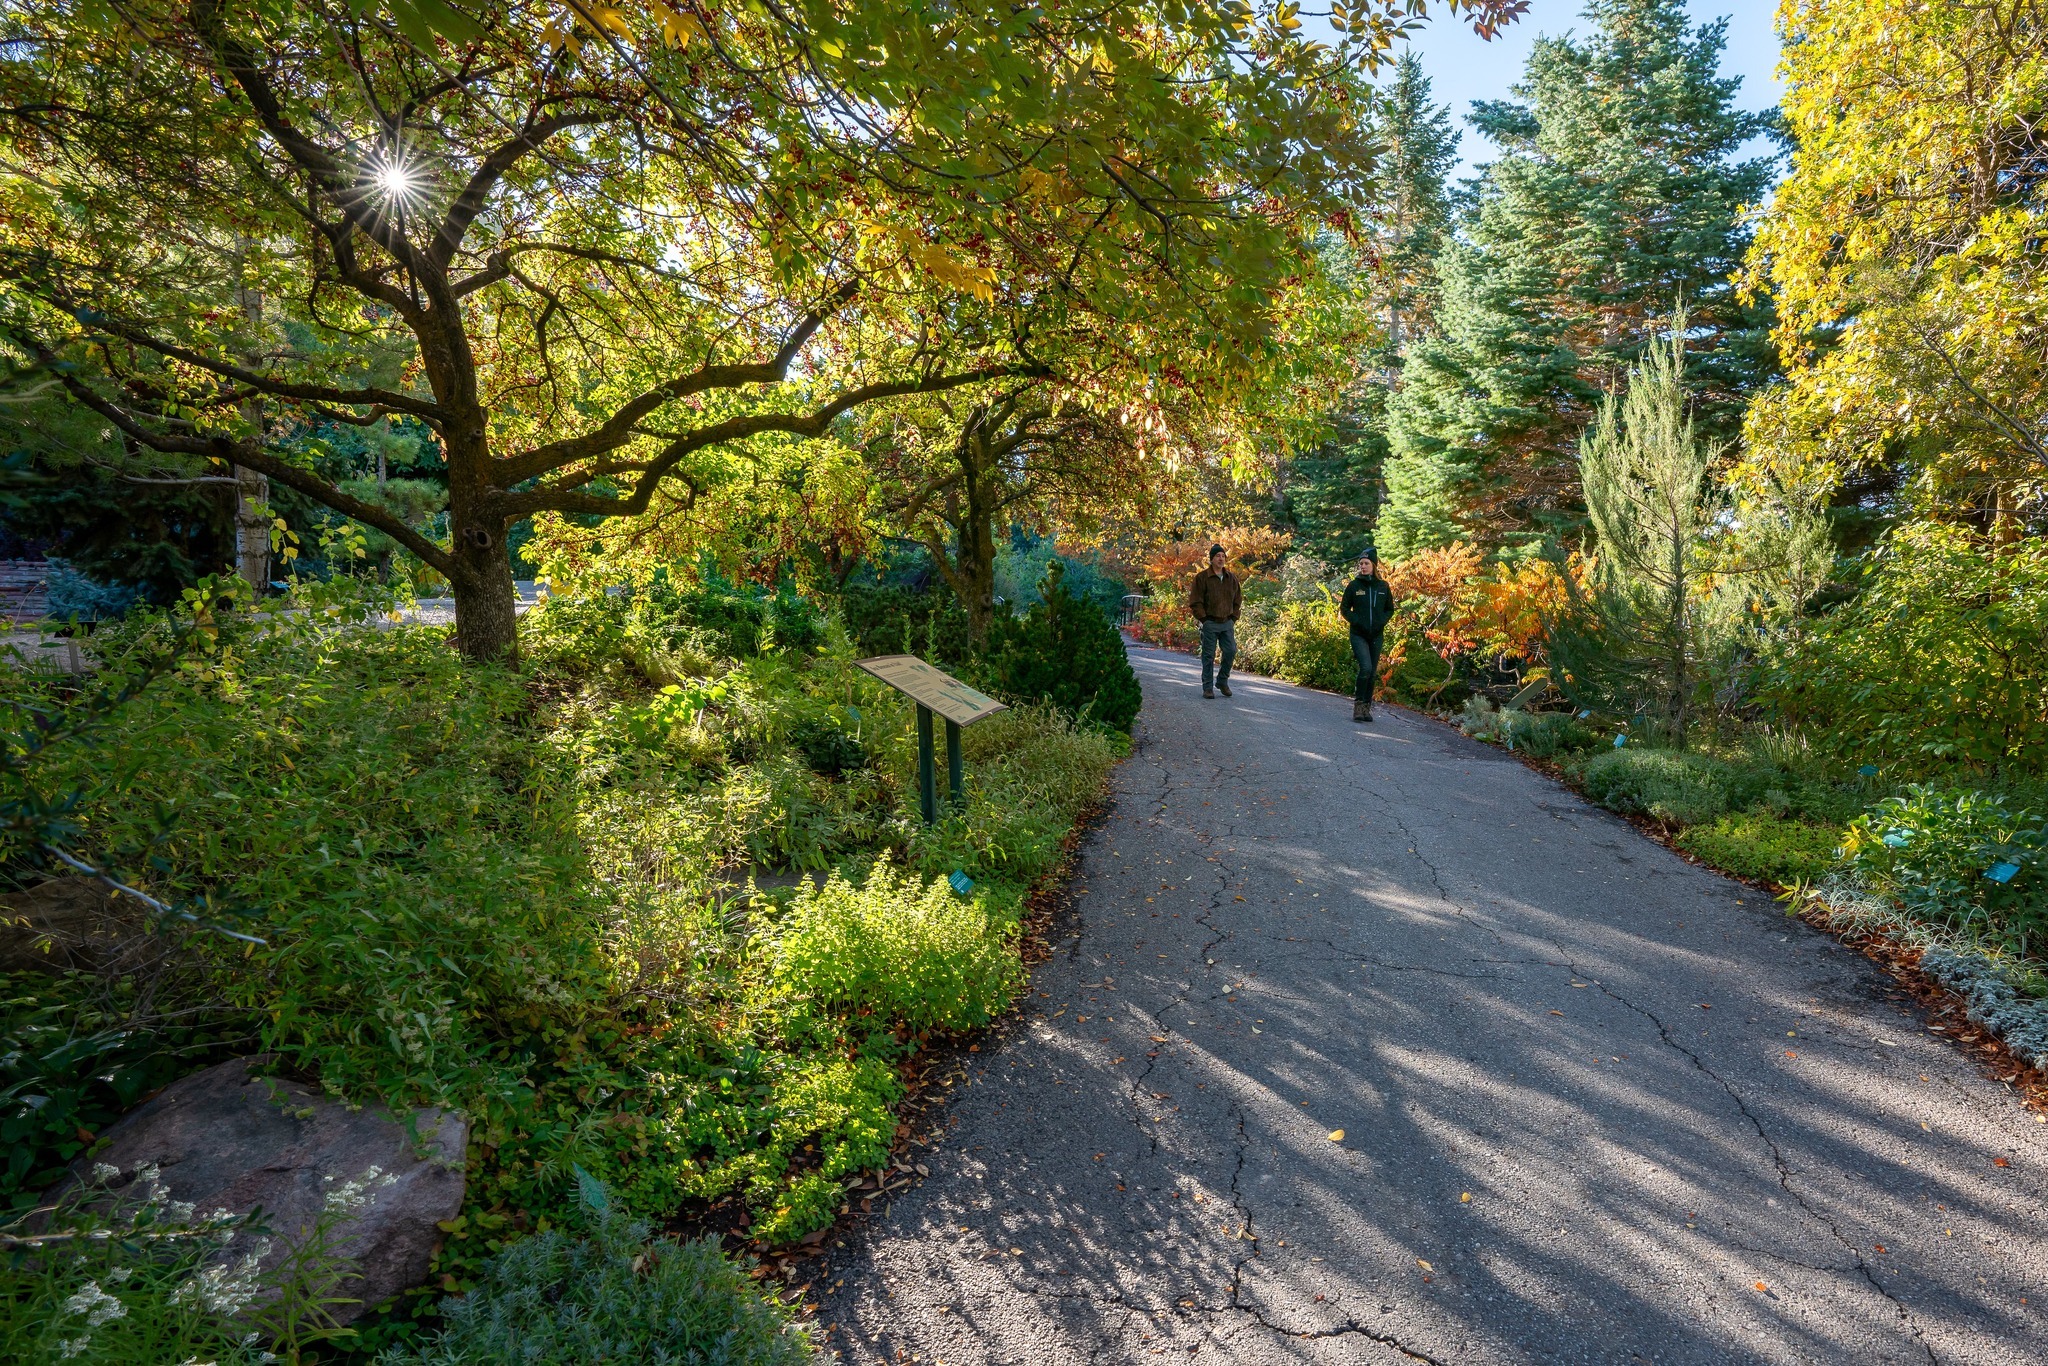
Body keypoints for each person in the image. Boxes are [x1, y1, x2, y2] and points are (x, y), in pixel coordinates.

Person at [1338, 549, 1396, 722]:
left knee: (1371, 674)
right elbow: (1345, 608)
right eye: (1361, 563)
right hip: (1358, 634)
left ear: (1373, 565)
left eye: (1366, 563)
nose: (1363, 566)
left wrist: (1381, 622)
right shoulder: (1354, 586)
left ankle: (1366, 708)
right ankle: (1358, 706)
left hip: (1376, 635)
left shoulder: (1383, 586)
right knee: (1366, 668)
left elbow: (1389, 609)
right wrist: (1357, 621)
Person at [1185, 542, 1241, 699]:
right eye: (1218, 556)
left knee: (1230, 651)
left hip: (1227, 622)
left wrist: (1233, 617)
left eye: (1223, 556)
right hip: (1210, 622)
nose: (1221, 559)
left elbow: (1238, 600)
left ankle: (1222, 681)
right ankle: (1207, 688)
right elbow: (1196, 601)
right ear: (1211, 559)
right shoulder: (1202, 578)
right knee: (1208, 656)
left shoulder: (1231, 578)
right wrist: (1204, 619)